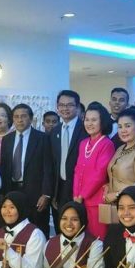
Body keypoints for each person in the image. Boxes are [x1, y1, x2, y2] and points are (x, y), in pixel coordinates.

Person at [0, 103, 53, 236]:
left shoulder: (43, 138)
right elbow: (4, 168)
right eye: (16, 117)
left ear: (30, 118)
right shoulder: (7, 139)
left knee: (38, 228)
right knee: (14, 228)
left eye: (23, 116)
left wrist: (46, 194)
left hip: (36, 193)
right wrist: (2, 194)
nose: (19, 120)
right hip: (12, 190)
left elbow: (48, 168)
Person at [73, 102, 116, 239]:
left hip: (97, 200)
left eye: (94, 120)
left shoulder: (107, 144)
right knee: (83, 238)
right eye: (87, 119)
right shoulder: (83, 143)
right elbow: (77, 170)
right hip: (80, 200)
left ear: (102, 122)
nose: (89, 123)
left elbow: (100, 174)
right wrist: (76, 194)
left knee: (98, 238)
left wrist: (82, 195)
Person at [50, 90, 88, 230]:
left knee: (79, 227)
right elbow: (52, 164)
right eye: (61, 105)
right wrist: (52, 193)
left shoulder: (86, 129)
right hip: (59, 188)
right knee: (61, 227)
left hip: (80, 189)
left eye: (70, 105)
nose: (65, 108)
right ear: (57, 107)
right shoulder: (54, 131)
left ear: (77, 107)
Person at [104, 108, 135, 205]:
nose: (123, 130)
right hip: (116, 204)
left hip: (132, 204)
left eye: (127, 126)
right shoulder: (120, 149)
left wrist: (117, 194)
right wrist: (108, 186)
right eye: (120, 127)